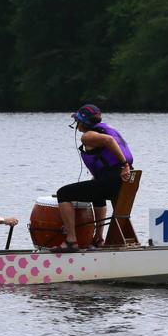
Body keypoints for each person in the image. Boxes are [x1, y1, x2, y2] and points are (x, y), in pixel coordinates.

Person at [56, 104, 134, 250]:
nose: (76, 124)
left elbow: (109, 141)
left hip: (113, 180)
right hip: (121, 181)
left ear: (83, 122)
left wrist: (124, 165)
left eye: (77, 120)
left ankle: (71, 240)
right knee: (97, 194)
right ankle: (98, 239)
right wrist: (124, 167)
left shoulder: (88, 136)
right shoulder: (105, 129)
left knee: (63, 193)